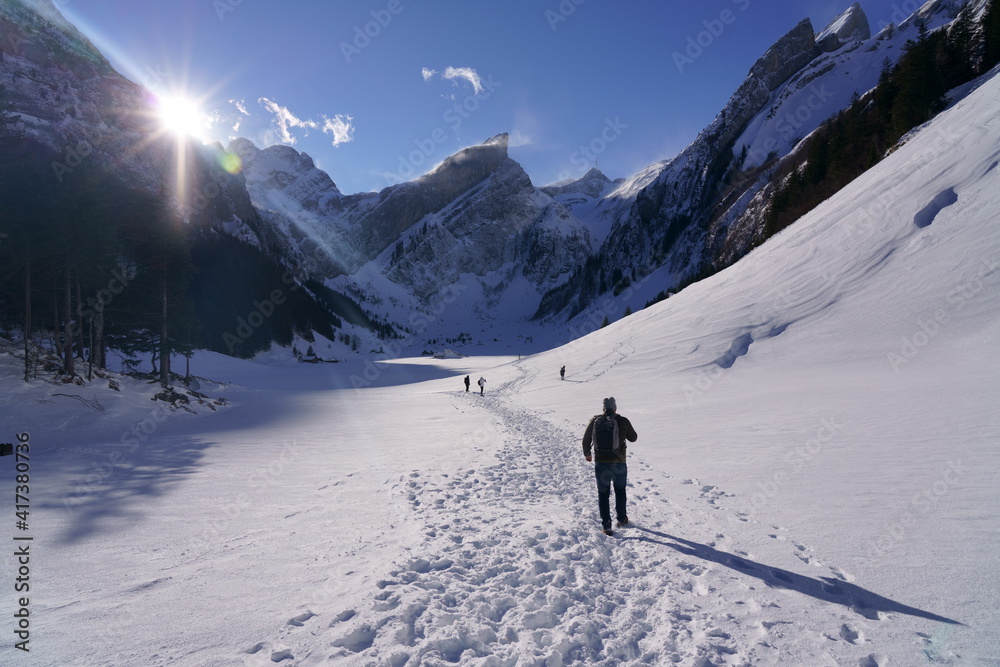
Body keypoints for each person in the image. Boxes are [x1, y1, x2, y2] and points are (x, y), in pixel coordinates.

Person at [582, 397, 638, 535]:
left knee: (603, 494)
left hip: (601, 463)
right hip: (619, 463)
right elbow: (634, 438)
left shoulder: (595, 421)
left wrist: (587, 453)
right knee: (620, 490)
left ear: (603, 408)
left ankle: (607, 526)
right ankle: (621, 518)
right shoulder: (622, 420)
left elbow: (586, 440)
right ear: (615, 408)